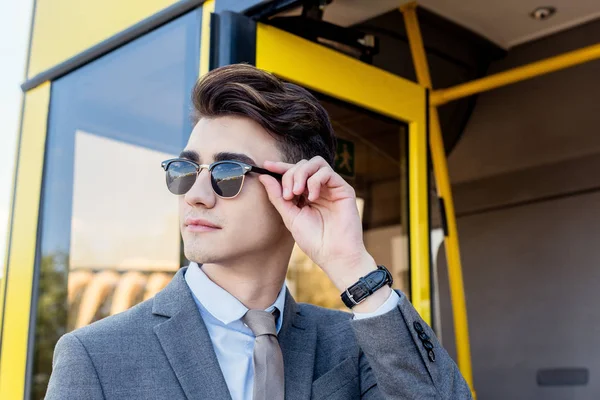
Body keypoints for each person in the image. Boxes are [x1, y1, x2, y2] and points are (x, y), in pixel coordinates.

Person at [46, 64, 472, 400]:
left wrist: (351, 265)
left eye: (227, 172)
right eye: (185, 170)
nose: (196, 195)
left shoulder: (353, 343)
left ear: (296, 189)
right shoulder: (97, 356)